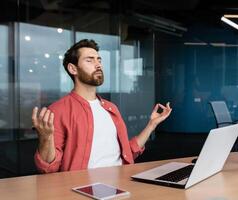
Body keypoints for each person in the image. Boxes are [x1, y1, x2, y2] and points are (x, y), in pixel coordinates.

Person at [32, 39, 172, 173]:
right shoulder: (57, 111)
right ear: (73, 69)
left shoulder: (111, 108)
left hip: (122, 183)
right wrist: (46, 139)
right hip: (84, 189)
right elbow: (48, 168)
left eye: (99, 59)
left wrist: (151, 125)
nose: (98, 64)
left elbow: (127, 153)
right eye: (89, 60)